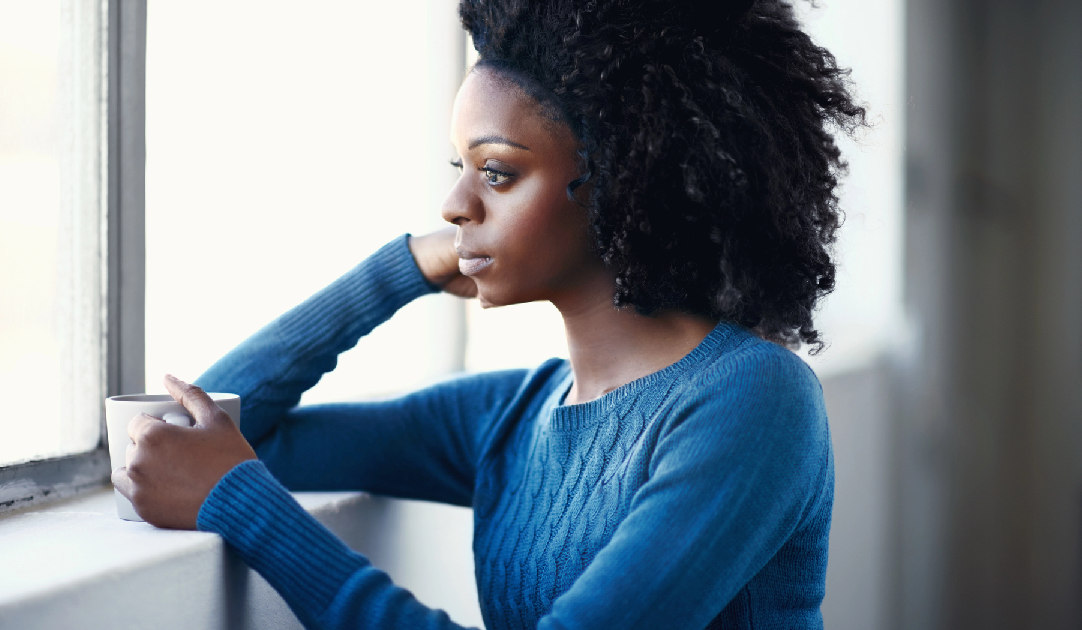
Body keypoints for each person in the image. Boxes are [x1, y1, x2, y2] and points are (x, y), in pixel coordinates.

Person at [112, 0, 865, 628]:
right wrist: (402, 267)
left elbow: (229, 472)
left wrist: (249, 509)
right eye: (459, 169)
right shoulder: (510, 416)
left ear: (628, 178)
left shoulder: (754, 400)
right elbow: (203, 434)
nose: (455, 206)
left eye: (498, 173)